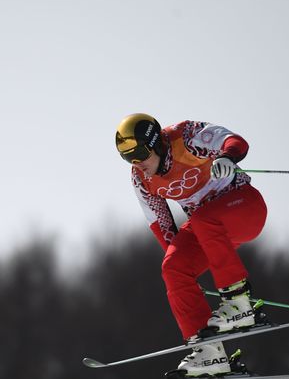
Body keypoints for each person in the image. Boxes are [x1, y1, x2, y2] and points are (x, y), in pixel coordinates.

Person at [115, 113, 268, 378]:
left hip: (243, 207)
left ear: (155, 144)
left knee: (202, 217)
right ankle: (209, 352)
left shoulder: (184, 138)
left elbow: (236, 141)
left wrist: (226, 157)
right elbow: (162, 226)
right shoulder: (142, 180)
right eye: (128, 157)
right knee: (173, 267)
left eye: (139, 154)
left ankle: (238, 301)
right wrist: (186, 276)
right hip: (206, 228)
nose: (136, 163)